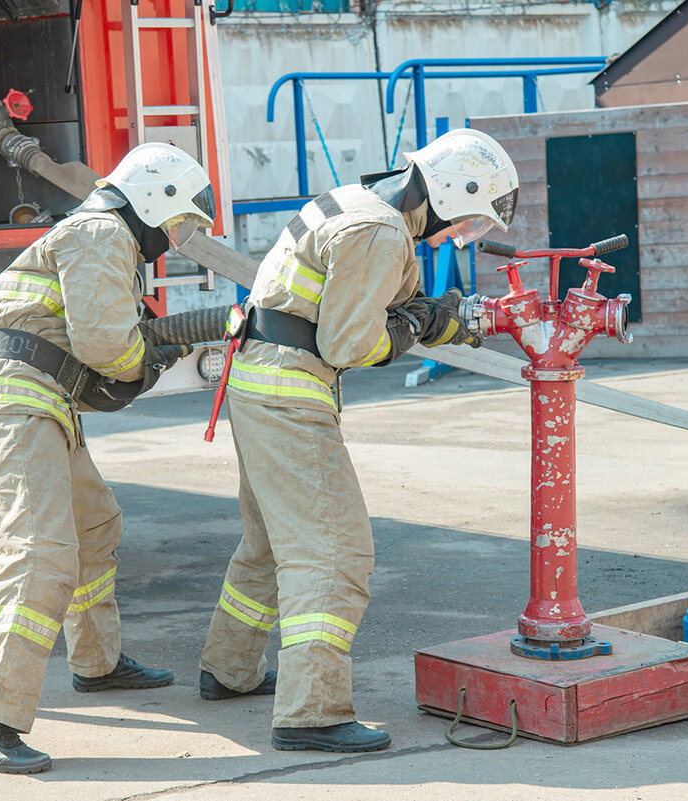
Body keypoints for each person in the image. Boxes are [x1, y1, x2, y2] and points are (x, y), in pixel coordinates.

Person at [197, 128, 519, 753]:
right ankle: (311, 712)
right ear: (456, 190)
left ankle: (228, 669)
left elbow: (356, 305)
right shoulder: (382, 231)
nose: (461, 236)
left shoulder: (355, 204)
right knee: (336, 552)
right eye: (469, 221)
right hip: (291, 396)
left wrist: (426, 315)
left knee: (269, 543)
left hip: (257, 383)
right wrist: (410, 330)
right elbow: (351, 343)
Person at [0, 142, 216, 774]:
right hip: (15, 407)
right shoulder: (100, 233)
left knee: (94, 528)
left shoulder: (104, 240)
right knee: (37, 556)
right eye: (180, 224)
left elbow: (91, 356)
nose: (177, 240)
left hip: (42, 405)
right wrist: (146, 358)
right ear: (156, 202)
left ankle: (95, 664)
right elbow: (107, 348)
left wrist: (141, 356)